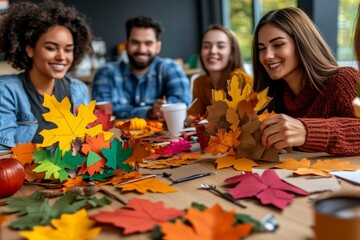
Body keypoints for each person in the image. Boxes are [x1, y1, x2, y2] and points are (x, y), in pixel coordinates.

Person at [252, 7, 360, 156]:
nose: (267, 56)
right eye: (261, 48)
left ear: (302, 43)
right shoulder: (271, 95)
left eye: (278, 44)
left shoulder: (343, 80)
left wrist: (307, 131)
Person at [0, 1, 93, 150]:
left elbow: (89, 146)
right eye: (51, 48)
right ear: (30, 49)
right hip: (25, 173)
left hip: (73, 173)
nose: (62, 57)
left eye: (68, 49)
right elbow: (4, 154)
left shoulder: (78, 90)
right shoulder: (6, 91)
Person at [91, 16, 191, 120]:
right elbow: (102, 112)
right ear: (126, 44)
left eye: (148, 43)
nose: (141, 49)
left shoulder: (170, 68)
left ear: (158, 47)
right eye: (135, 43)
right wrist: (148, 112)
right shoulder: (106, 73)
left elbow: (183, 101)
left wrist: (164, 108)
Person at [187, 24, 253, 118]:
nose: (213, 51)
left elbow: (247, 120)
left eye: (221, 46)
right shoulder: (200, 83)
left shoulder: (239, 79)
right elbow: (193, 116)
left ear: (232, 53)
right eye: (206, 46)